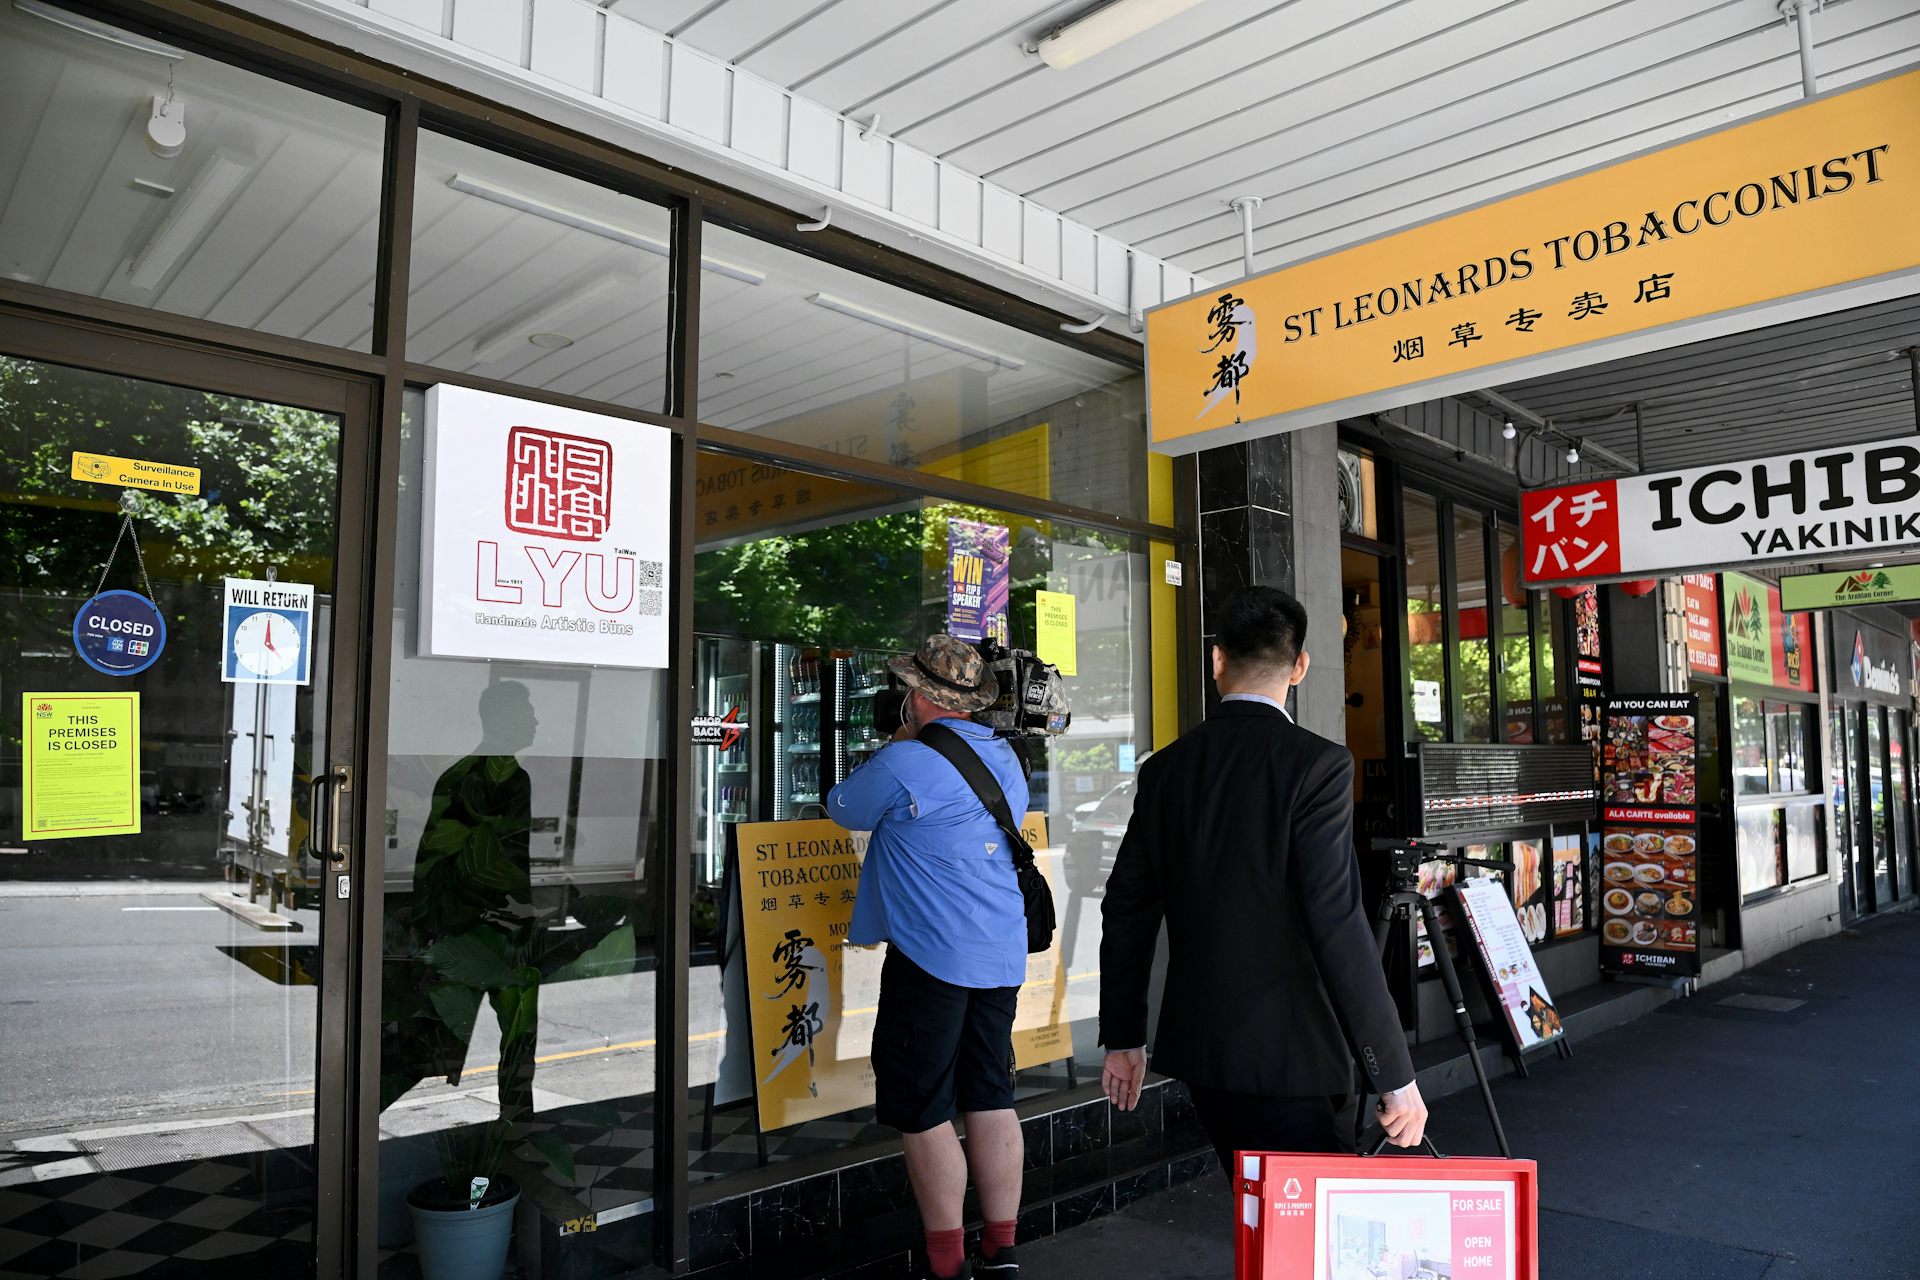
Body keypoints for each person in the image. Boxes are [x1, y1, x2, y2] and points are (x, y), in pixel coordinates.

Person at [1097, 586, 1428, 1168]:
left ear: (1217, 660)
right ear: (1299, 667)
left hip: (1204, 1051)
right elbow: (1336, 920)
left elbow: (1127, 906)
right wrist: (1394, 1073)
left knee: (1257, 1208)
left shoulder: (1166, 769)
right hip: (1293, 1055)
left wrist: (1125, 1035)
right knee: (1306, 1220)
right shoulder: (1318, 765)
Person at [828, 635, 1029, 1280]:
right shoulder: (1005, 756)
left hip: (931, 957)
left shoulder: (907, 761)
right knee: (990, 1094)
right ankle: (1001, 1252)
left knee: (922, 1106)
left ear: (917, 696)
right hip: (1000, 951)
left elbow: (842, 808)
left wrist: (899, 742)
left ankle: (946, 1264)